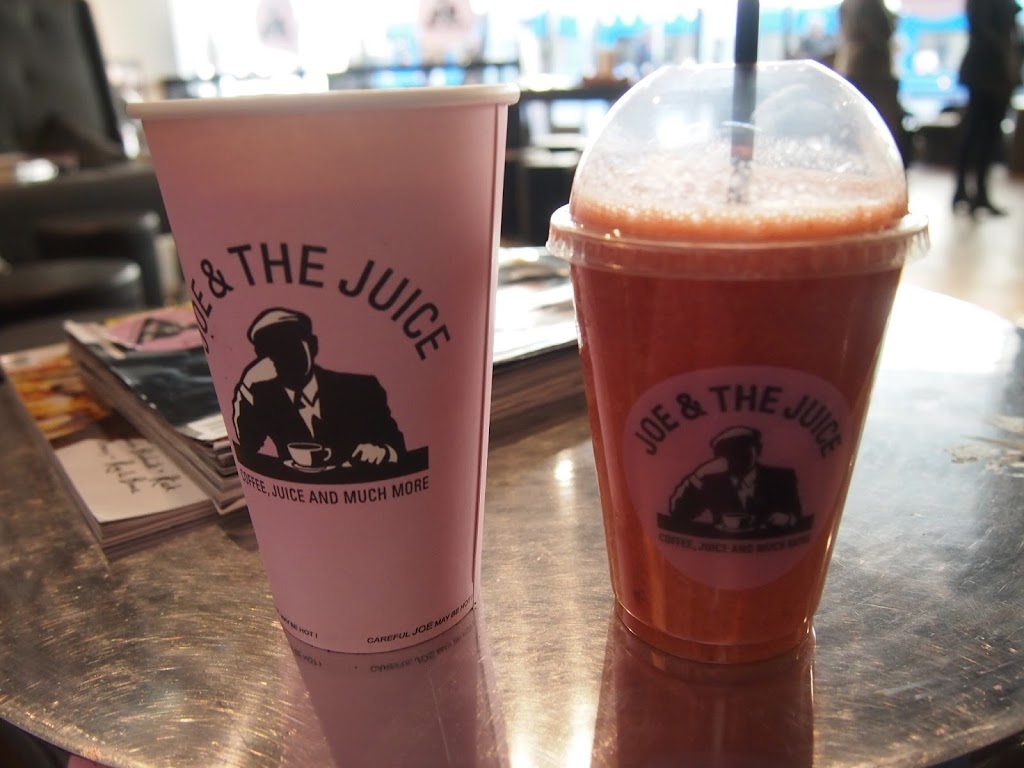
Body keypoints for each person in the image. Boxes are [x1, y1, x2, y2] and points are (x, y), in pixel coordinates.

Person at [232, 307, 406, 469]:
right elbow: (247, 447)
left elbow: (397, 447)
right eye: (272, 352)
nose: (283, 358)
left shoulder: (360, 389)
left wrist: (383, 453)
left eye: (290, 346)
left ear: (313, 345)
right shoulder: (264, 397)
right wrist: (246, 385)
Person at [664, 427, 804, 536]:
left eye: (744, 447)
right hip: (716, 557)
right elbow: (678, 514)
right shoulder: (712, 483)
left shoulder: (782, 477)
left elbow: (797, 513)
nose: (738, 455)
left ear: (758, 450)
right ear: (719, 457)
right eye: (731, 450)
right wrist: (699, 473)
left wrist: (788, 519)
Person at [954, 0, 1023, 216]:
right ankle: (963, 190)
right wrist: (1005, 53)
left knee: (989, 136)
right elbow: (982, 29)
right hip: (986, 73)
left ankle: (979, 193)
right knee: (975, 133)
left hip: (998, 75)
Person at [834, 0, 911, 166]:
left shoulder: (847, 4)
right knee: (881, 128)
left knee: (854, 126)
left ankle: (856, 167)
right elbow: (882, 33)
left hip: (851, 66)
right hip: (873, 71)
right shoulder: (870, 4)